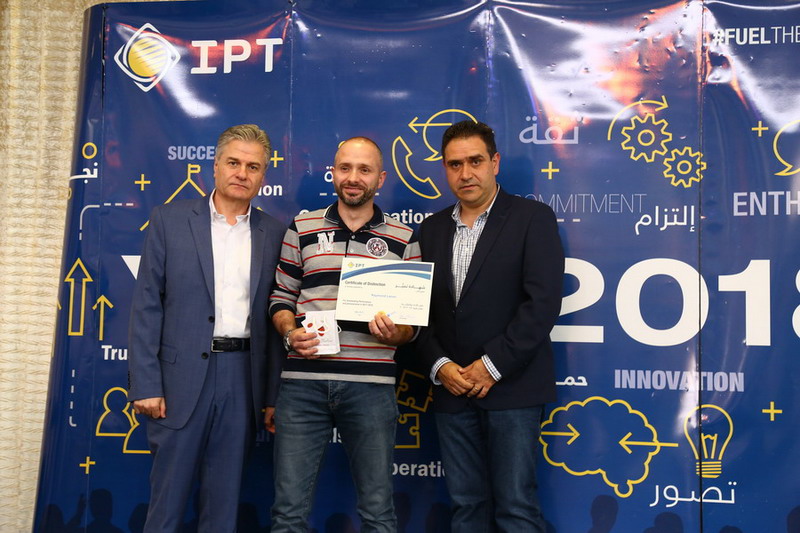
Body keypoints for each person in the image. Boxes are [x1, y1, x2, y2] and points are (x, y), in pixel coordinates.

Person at [127, 124, 286, 532]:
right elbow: (146, 306)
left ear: (263, 176)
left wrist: (271, 395)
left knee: (223, 507)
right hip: (178, 381)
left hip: (242, 380)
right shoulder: (169, 220)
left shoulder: (275, 233)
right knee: (166, 506)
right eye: (233, 162)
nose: (242, 173)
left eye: (253, 167)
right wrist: (146, 384)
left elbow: (274, 321)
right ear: (214, 166)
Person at [416, 120, 565, 532]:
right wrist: (441, 366)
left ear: (494, 163)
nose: (465, 173)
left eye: (475, 161)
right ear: (445, 169)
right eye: (455, 164)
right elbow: (419, 314)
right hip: (451, 390)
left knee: (516, 507)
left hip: (513, 387)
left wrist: (491, 365)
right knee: (466, 508)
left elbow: (542, 305)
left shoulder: (532, 218)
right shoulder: (430, 229)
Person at [267, 137, 419, 532]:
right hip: (303, 385)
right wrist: (290, 333)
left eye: (364, 170)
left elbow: (413, 326)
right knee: (288, 512)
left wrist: (397, 333)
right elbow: (281, 297)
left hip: (371, 387)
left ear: (380, 179)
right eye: (345, 168)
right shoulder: (301, 227)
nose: (353, 177)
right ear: (333, 173)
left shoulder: (404, 238)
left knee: (378, 511)